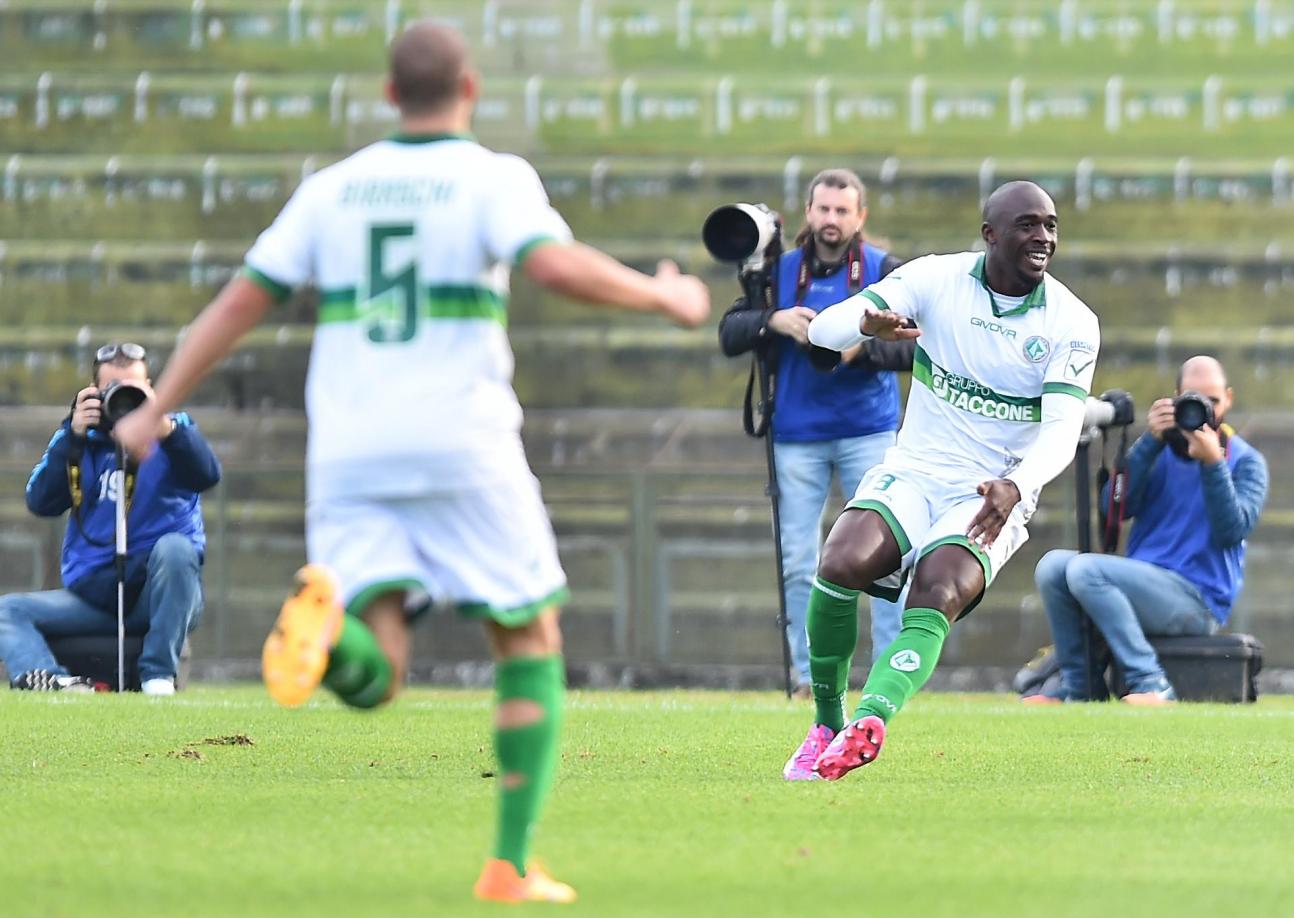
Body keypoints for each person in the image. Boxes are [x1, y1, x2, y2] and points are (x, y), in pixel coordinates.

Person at [114, 21, 708, 906]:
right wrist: (663, 294)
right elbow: (553, 266)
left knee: (381, 670)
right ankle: (509, 866)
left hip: (350, 451)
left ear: (389, 94)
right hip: (461, 441)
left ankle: (328, 638)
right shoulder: (492, 177)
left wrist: (157, 405)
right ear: (470, 88)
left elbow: (240, 303)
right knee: (527, 635)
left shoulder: (332, 190)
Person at [780, 180, 1100, 781]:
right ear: (990, 235)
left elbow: (1062, 429)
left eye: (1051, 225)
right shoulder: (936, 278)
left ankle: (869, 721)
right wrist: (863, 327)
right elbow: (824, 331)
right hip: (916, 471)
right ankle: (825, 723)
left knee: (939, 588)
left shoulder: (1073, 321)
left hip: (993, 491)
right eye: (1028, 225)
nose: (1043, 237)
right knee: (840, 560)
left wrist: (1018, 485)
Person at [718, 168, 914, 699]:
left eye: (842, 211)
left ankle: (887, 676)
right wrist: (773, 320)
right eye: (823, 209)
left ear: (860, 216)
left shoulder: (884, 271)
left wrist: (858, 349)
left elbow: (916, 346)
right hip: (797, 435)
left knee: (888, 558)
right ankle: (809, 678)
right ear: (808, 211)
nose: (831, 220)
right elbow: (729, 333)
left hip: (868, 432)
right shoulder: (776, 272)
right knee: (799, 561)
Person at [1029, 356, 1268, 705]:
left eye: (1213, 400)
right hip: (1141, 585)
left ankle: (1153, 683)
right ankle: (1079, 689)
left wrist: (1213, 464)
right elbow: (1114, 509)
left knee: (1086, 570)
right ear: (1176, 398)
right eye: (1194, 399)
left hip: (1197, 599)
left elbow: (1232, 530)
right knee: (1052, 567)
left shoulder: (1246, 462)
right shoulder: (1157, 450)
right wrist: (1149, 442)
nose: (1204, 410)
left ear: (1228, 399)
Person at [0, 343, 219, 695]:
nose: (124, 399)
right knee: (7, 610)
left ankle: (158, 678)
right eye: (113, 389)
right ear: (93, 393)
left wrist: (161, 426)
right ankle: (55, 682)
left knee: (176, 549)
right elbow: (40, 502)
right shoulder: (78, 439)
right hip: (95, 598)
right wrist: (71, 437)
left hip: (161, 595)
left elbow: (207, 474)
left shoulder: (175, 430)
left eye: (134, 389)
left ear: (151, 388)